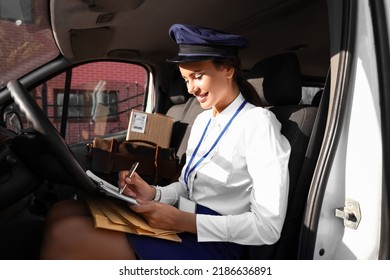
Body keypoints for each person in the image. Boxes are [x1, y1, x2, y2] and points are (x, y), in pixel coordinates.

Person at [39, 23, 291, 260]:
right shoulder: (203, 121)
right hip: (185, 222)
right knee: (62, 211)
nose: (191, 89)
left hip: (216, 241)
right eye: (186, 80)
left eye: (198, 76)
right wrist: (155, 194)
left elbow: (267, 227)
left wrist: (184, 222)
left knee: (64, 234)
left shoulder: (258, 123)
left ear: (227, 69)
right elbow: (187, 187)